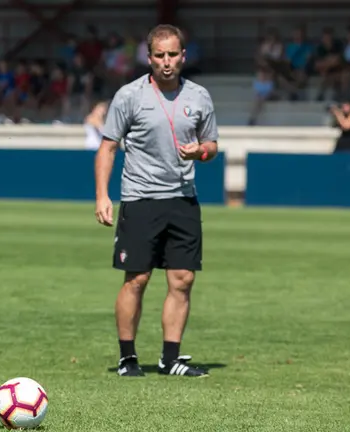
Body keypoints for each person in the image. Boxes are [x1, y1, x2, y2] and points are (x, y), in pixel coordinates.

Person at [94, 24, 219, 378]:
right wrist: (103, 195)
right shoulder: (129, 96)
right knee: (137, 279)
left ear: (183, 56)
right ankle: (127, 358)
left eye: (173, 54)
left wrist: (200, 152)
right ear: (149, 58)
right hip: (140, 198)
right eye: (160, 55)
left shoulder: (199, 96)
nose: (167, 62)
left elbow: (212, 145)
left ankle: (170, 359)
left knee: (183, 279)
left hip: (183, 199)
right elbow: (108, 147)